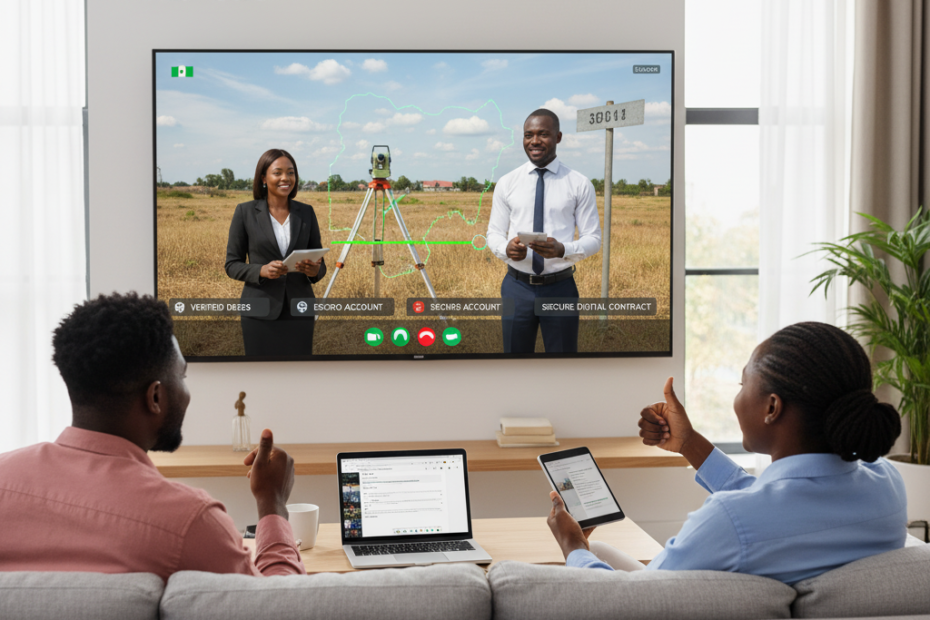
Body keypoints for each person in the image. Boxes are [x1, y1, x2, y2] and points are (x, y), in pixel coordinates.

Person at [546, 321, 907, 584]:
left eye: (742, 384)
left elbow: (632, 602)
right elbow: (771, 505)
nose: (737, 397)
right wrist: (688, 443)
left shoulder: (728, 522)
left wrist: (573, 543)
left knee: (594, 552)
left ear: (772, 407)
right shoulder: (886, 485)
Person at [0, 292, 305, 582]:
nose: (187, 391)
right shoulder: (189, 521)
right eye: (182, 376)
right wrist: (272, 502)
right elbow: (280, 605)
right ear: (155, 397)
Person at [486, 109, 601, 353]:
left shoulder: (579, 183)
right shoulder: (507, 183)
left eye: (543, 134)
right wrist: (505, 248)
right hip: (516, 288)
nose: (535, 141)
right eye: (529, 135)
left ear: (558, 137)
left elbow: (594, 238)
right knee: (515, 362)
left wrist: (563, 250)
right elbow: (494, 232)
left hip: (560, 288)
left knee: (562, 366)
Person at [226, 148, 327, 357]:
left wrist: (314, 270)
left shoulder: (306, 212)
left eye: (291, 172)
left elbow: (321, 264)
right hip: (258, 311)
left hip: (300, 310)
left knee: (298, 375)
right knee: (260, 376)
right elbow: (232, 264)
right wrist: (261, 271)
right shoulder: (244, 212)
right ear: (263, 177)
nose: (286, 178)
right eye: (278, 172)